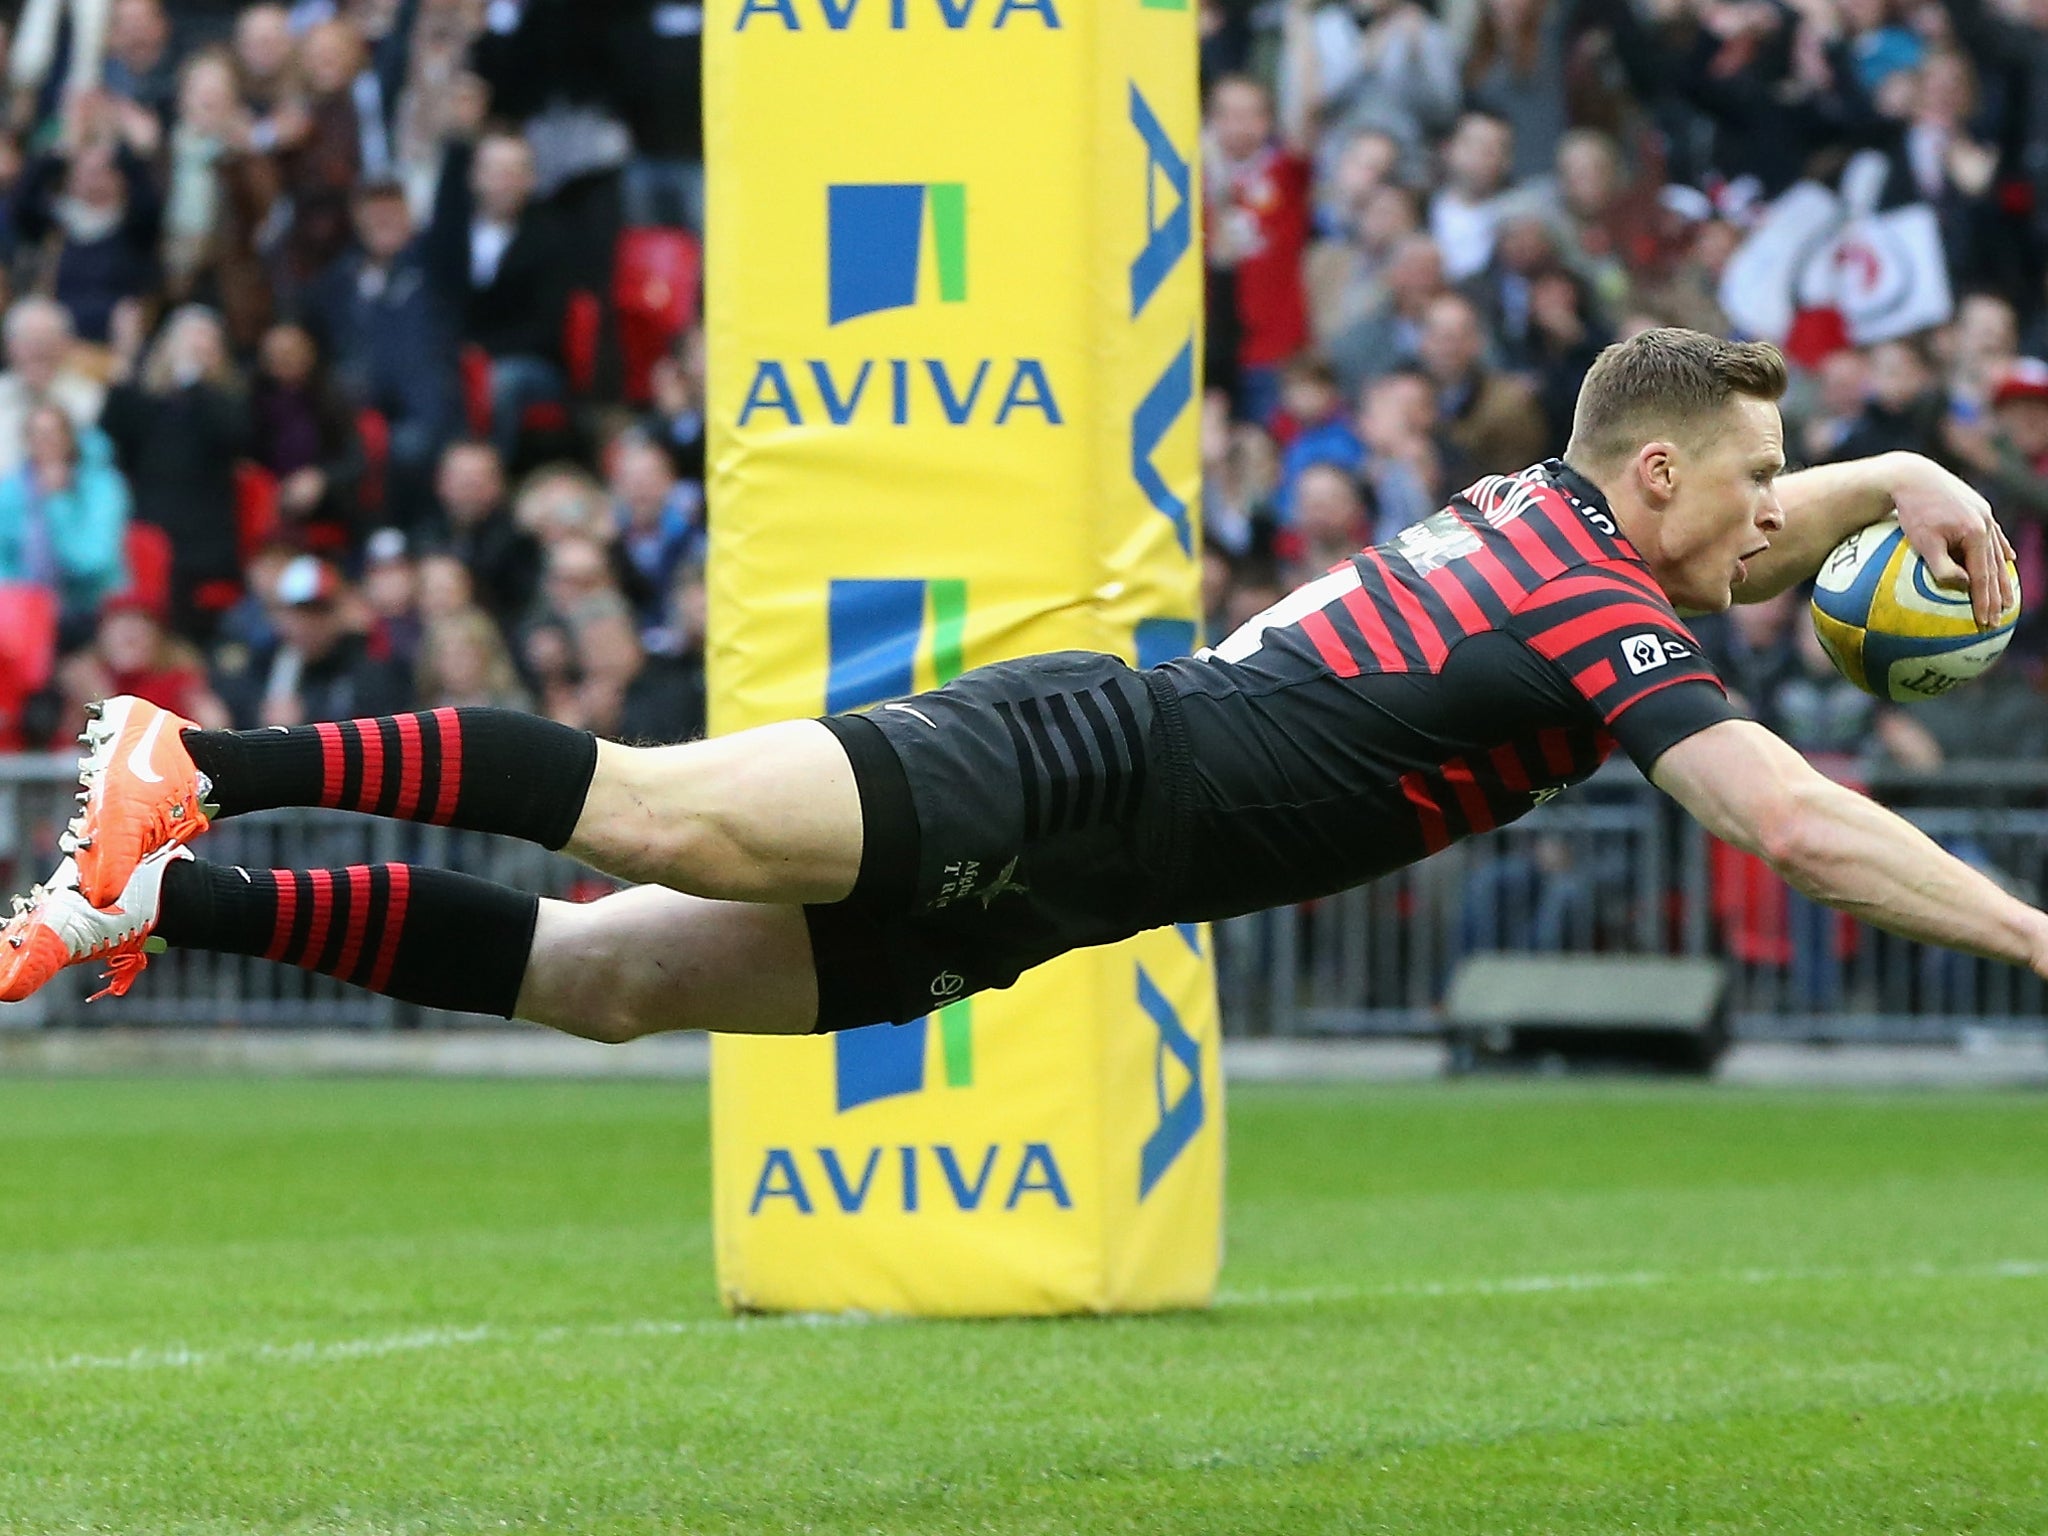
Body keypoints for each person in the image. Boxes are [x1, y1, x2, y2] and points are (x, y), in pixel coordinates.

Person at [2, 329, 2036, 1051]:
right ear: (1665, 479)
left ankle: (149, 902)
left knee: (608, 980)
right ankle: (201, 760)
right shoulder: (1600, 609)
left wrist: (1903, 476)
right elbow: (1789, 821)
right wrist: (2026, 931)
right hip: (1069, 768)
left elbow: (1738, 532)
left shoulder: (1562, 517)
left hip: (1071, 885)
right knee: (661, 813)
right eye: (1764, 484)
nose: (1782, 527)